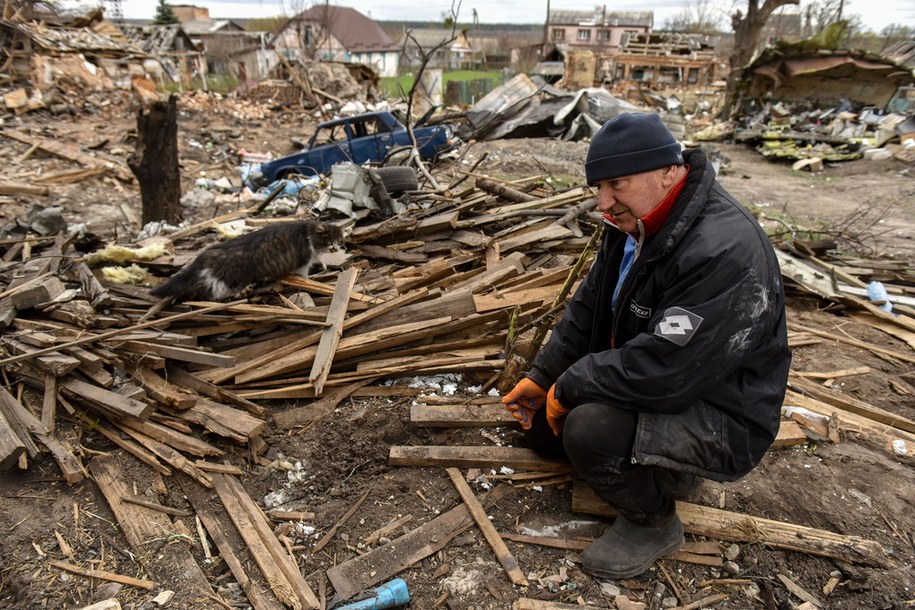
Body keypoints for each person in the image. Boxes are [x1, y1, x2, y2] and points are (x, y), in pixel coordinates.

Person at [502, 112, 791, 580]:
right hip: (660, 380)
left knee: (588, 429)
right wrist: (543, 376)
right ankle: (636, 458)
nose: (604, 202)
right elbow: (590, 306)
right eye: (598, 187)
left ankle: (654, 521)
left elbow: (667, 368)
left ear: (668, 171)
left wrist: (571, 388)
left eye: (617, 184)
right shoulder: (635, 224)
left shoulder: (724, 249)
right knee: (542, 431)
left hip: (719, 413)